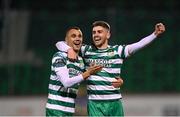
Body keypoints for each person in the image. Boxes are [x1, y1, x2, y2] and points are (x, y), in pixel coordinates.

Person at [56, 21, 165, 116]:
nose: (96, 35)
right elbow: (59, 43)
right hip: (95, 104)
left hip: (114, 102)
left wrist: (154, 34)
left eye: (99, 32)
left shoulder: (118, 51)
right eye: (94, 32)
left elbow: (139, 44)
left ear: (108, 35)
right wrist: (69, 49)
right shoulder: (86, 50)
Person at [45, 26, 103, 116]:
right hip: (56, 110)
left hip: (69, 111)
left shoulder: (80, 60)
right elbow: (66, 83)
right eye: (73, 36)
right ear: (66, 40)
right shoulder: (59, 56)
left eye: (80, 36)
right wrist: (87, 73)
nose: (77, 38)